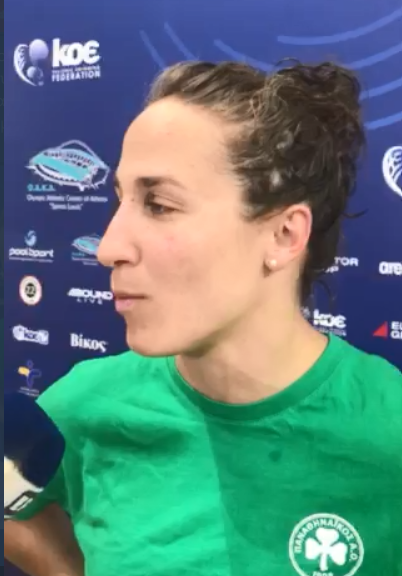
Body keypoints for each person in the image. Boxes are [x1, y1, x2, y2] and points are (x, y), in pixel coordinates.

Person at [5, 60, 402, 576]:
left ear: (283, 235)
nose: (107, 247)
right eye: (120, 200)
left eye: (159, 204)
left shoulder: (387, 429)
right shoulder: (83, 405)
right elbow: (16, 513)